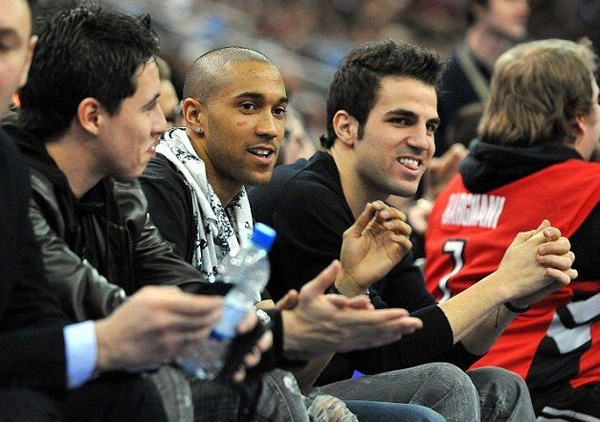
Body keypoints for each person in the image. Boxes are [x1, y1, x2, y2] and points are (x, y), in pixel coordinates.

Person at [249, 39, 577, 422]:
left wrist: (512, 301)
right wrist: (500, 282)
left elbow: (437, 346)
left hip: (326, 387)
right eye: (402, 120)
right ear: (346, 126)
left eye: (431, 126)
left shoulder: (381, 215)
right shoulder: (304, 199)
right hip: (279, 396)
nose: (423, 142)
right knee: (444, 385)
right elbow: (386, 355)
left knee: (500, 387)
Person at [140, 45, 446, 422]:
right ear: (194, 115)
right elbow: (184, 340)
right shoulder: (158, 189)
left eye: (279, 111)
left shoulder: (237, 209)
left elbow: (295, 379)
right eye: (248, 107)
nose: (270, 129)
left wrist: (346, 285)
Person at [0, 1, 261, 421]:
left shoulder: (117, 182)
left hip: (60, 378)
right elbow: (82, 299)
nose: (163, 124)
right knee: (170, 385)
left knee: (247, 371)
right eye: (148, 107)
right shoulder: (19, 178)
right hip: (44, 386)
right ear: (91, 116)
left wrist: (236, 317)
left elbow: (160, 265)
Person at [424, 39, 600, 420]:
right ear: (578, 119)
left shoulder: (452, 190)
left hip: (448, 391)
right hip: (538, 402)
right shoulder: (588, 189)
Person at [436, 0, 530, 155]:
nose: (523, 9)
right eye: (510, 1)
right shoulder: (444, 80)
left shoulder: (529, 75)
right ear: (478, 6)